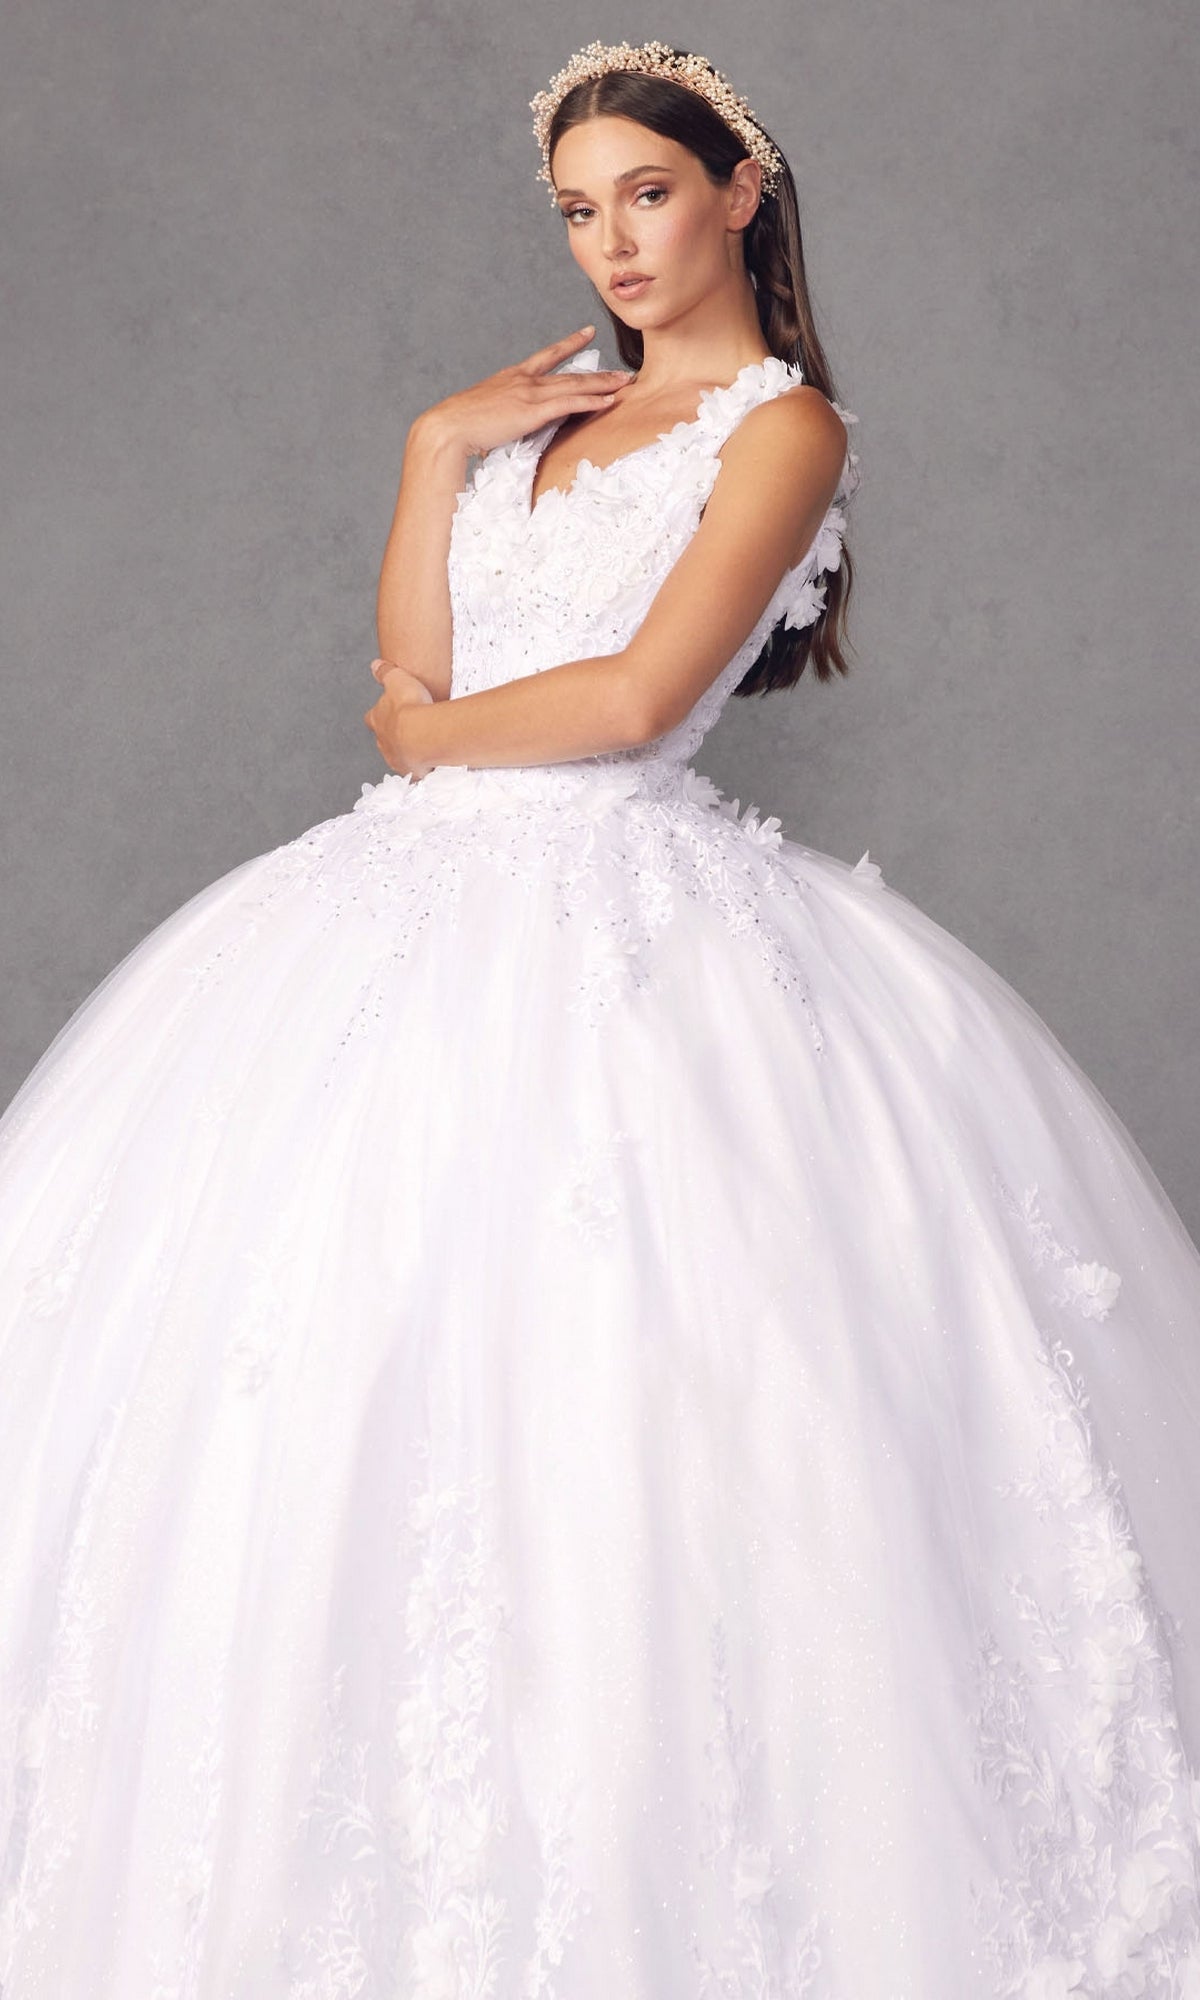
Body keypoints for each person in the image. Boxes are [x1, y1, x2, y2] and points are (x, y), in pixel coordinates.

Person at [1, 33, 1199, 1999]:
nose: (613, 242)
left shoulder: (783, 426)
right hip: (389, 928)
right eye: (578, 209)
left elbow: (633, 704)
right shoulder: (529, 425)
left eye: (648, 192)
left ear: (741, 187)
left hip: (631, 924)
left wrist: (434, 735)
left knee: (658, 1402)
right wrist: (430, 452)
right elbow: (403, 668)